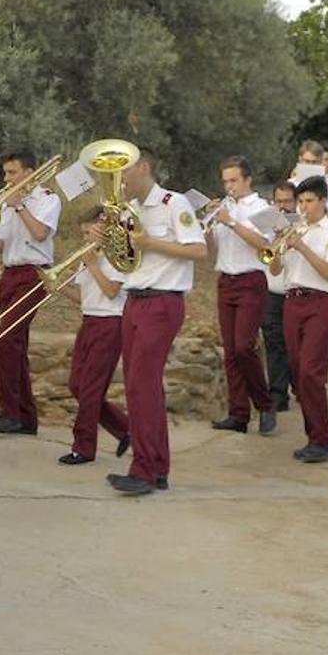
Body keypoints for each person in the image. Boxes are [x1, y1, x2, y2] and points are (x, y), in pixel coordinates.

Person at [106, 151, 207, 495]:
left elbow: (198, 251)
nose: (121, 179)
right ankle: (156, 467)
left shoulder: (172, 203)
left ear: (144, 168)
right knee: (141, 386)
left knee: (141, 386)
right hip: (135, 299)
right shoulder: (128, 209)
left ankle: (144, 469)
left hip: (162, 301)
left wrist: (150, 242)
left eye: (126, 171)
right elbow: (125, 260)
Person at [269, 176, 328, 464]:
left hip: (320, 301)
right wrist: (278, 247)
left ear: (323, 201)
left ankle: (323, 439)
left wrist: (301, 246)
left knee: (312, 372)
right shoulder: (295, 228)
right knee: (299, 372)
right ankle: (313, 435)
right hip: (292, 301)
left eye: (309, 201)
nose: (304, 207)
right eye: (300, 201)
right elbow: (275, 270)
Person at [0, 150, 61, 436]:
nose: (7, 179)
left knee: (5, 339)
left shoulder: (47, 198)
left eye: (12, 173)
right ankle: (27, 418)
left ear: (29, 173)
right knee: (17, 346)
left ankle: (10, 412)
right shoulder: (8, 204)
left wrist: (19, 207)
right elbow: (1, 244)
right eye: (5, 173)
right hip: (10, 274)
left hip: (34, 274)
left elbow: (41, 233)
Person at [206, 156, 277, 436]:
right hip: (226, 279)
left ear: (248, 180)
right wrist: (210, 226)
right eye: (225, 181)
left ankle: (265, 404)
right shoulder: (225, 207)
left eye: (234, 180)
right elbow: (213, 247)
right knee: (231, 352)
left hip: (250, 280)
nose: (229, 186)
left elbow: (265, 245)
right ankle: (238, 414)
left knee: (244, 346)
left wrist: (232, 222)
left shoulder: (261, 207)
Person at [57, 205, 129, 464]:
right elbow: (83, 297)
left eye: (89, 232)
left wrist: (93, 265)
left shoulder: (119, 254)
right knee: (76, 385)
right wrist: (56, 288)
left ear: (103, 229)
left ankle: (83, 447)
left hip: (111, 323)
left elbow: (111, 290)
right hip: (89, 321)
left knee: (90, 389)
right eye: (83, 233)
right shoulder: (89, 255)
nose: (85, 238)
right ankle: (124, 428)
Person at [261, 181, 297, 412]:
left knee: (296, 347)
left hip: (296, 294)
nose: (283, 207)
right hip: (272, 291)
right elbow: (264, 256)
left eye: (287, 201)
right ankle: (277, 394)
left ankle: (301, 387)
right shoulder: (267, 224)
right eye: (279, 201)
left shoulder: (304, 226)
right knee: (274, 344)